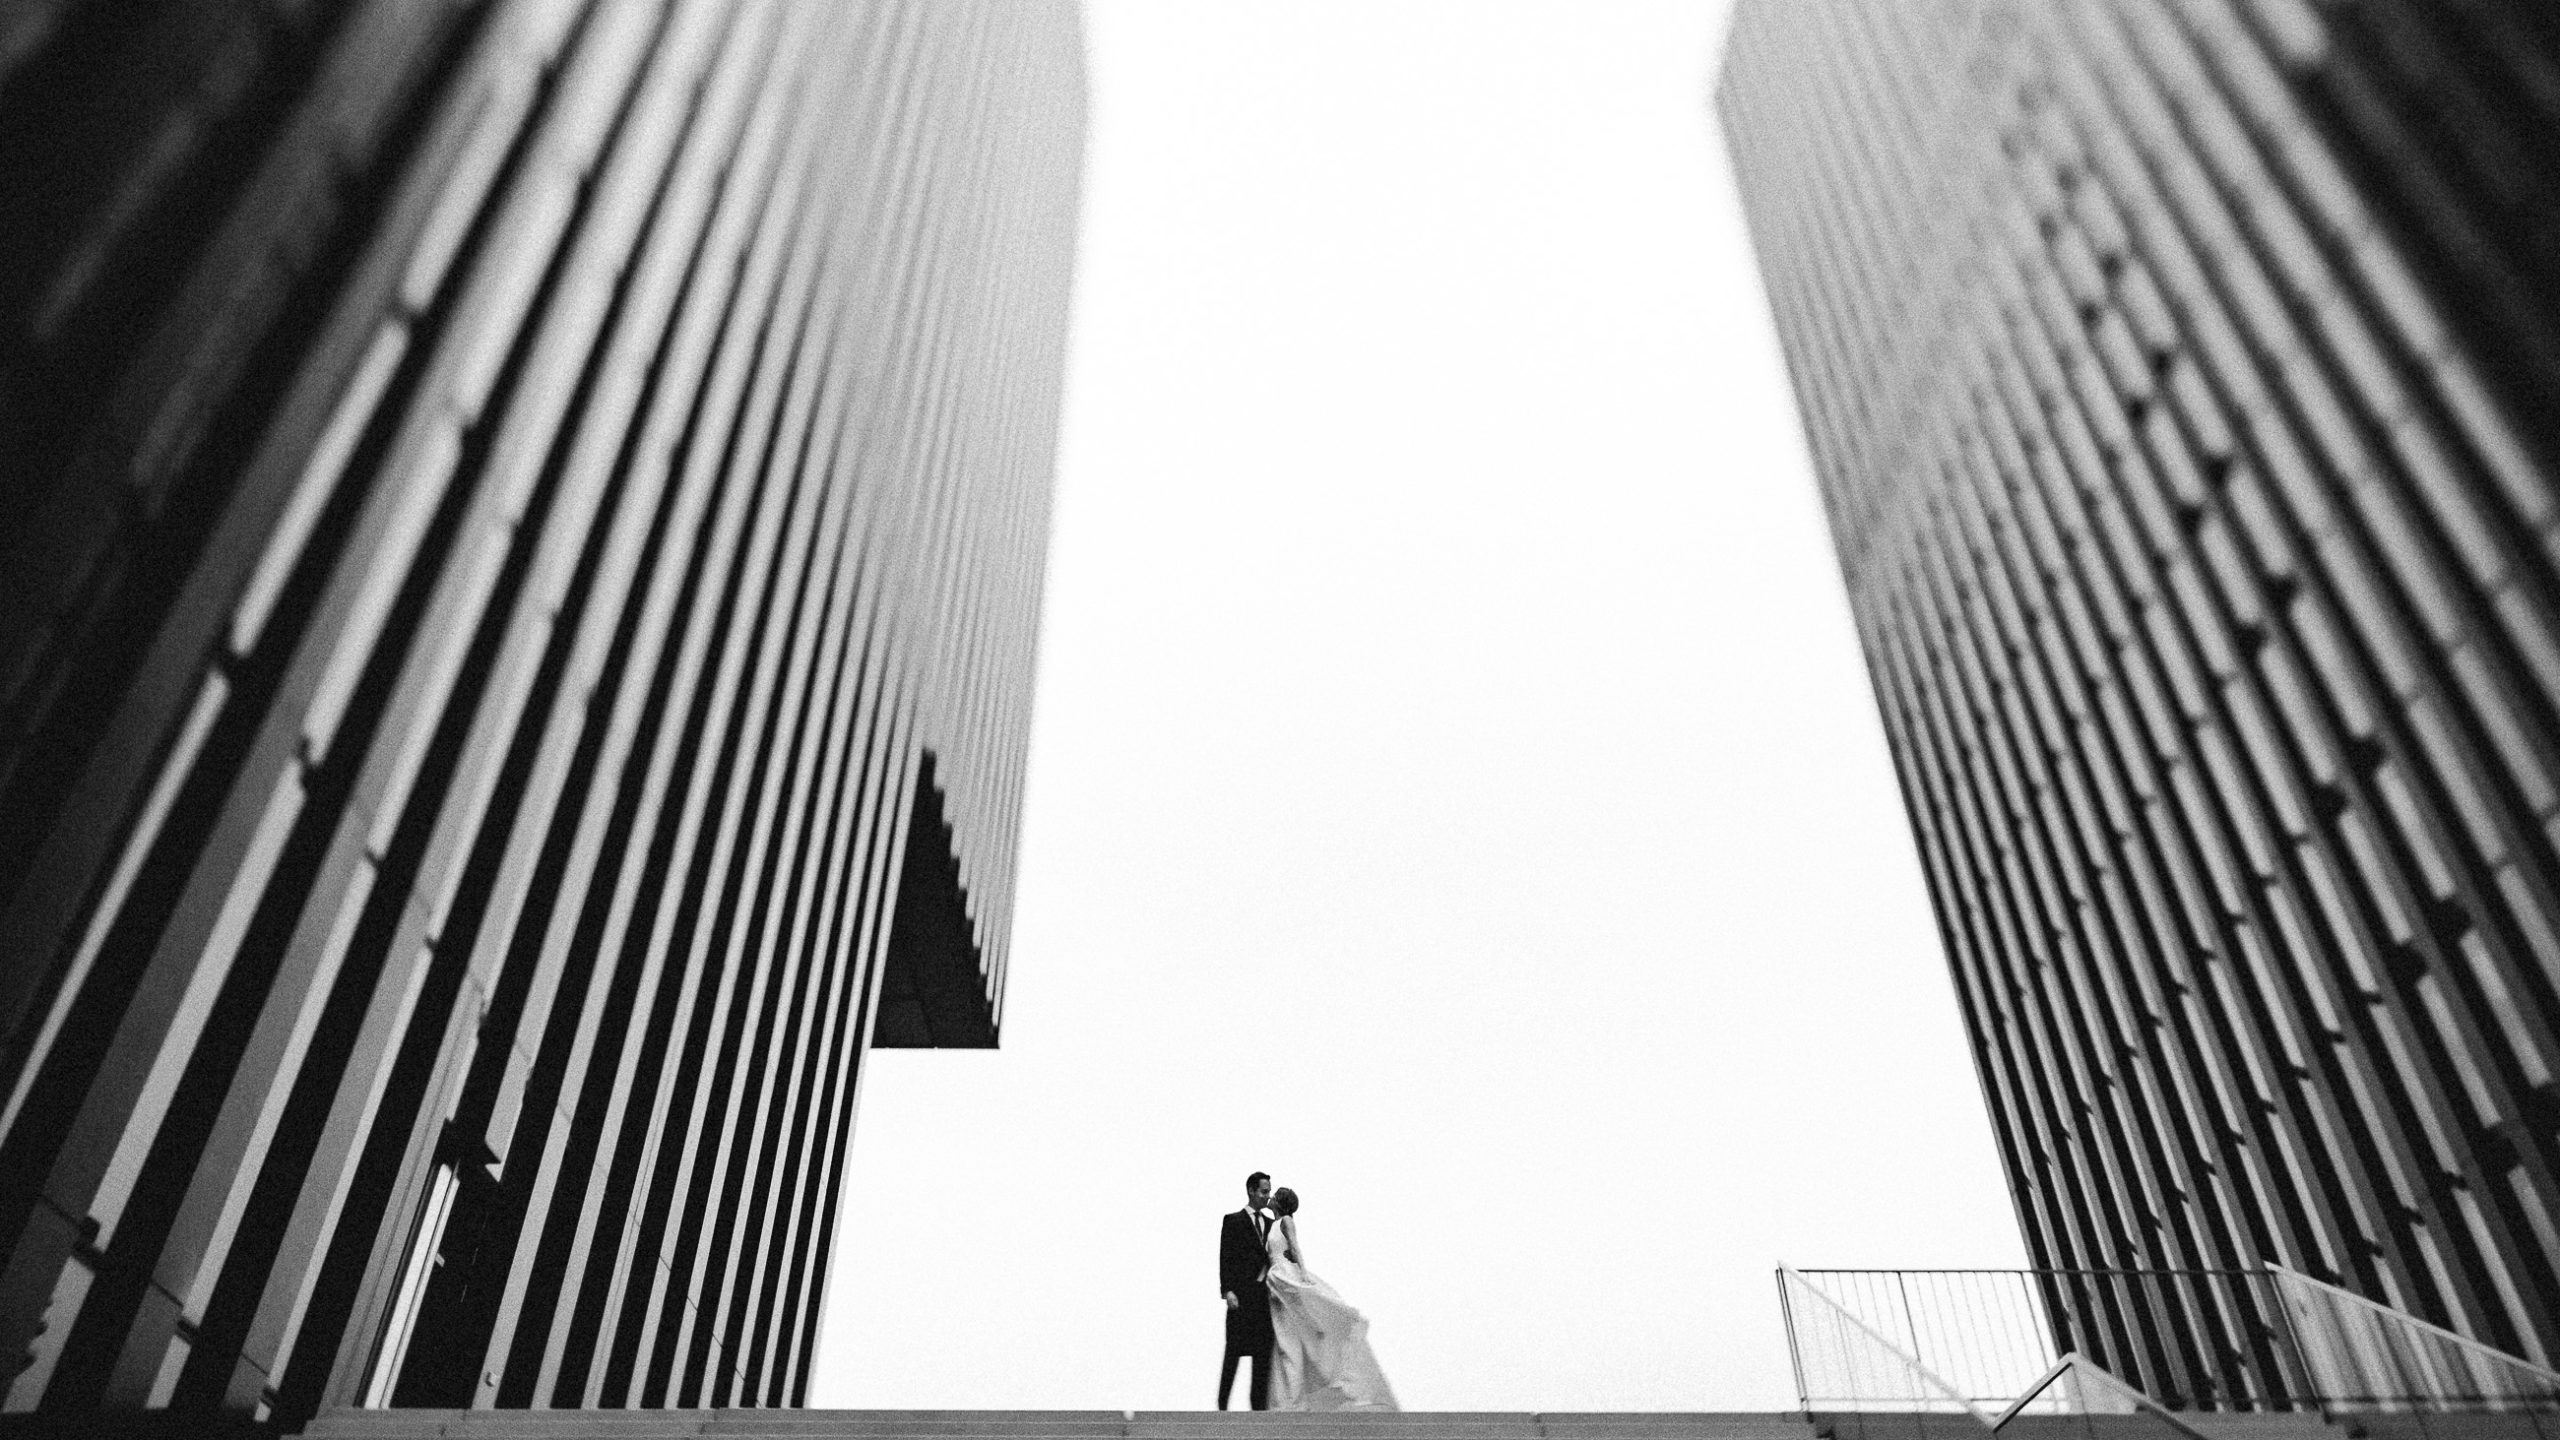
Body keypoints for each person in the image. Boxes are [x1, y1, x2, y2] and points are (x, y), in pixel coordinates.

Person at [1262, 1187, 1400, 1411]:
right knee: (1286, 1343)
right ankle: (1291, 1400)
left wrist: (1304, 1274)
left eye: (1275, 1196)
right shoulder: (1274, 1224)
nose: (1271, 1198)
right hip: (1276, 1280)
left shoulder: (1286, 1220)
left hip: (1285, 1277)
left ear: (1281, 1202)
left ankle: (1297, 1398)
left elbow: (1295, 1248)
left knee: (1292, 1339)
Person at [1218, 1171, 1277, 1409]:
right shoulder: (1232, 1220)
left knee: (1262, 1355)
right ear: (1251, 1191)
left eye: (1269, 1192)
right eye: (1264, 1191)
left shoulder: (1273, 1224)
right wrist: (1227, 1290)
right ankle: (1223, 1404)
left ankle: (1258, 1408)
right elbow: (1225, 1257)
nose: (1267, 1196)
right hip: (1240, 1298)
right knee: (1233, 1351)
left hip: (1264, 1301)